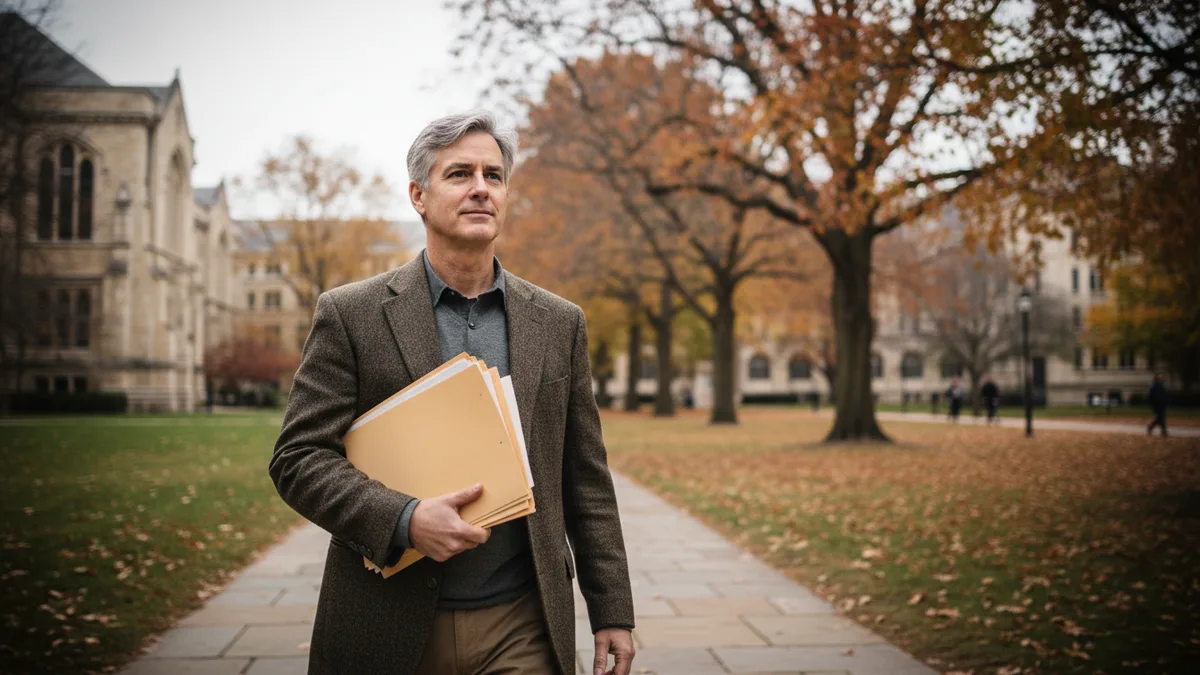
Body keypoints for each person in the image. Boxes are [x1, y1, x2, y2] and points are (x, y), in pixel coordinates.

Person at [270, 111, 636, 675]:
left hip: (524, 621)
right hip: (387, 620)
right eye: (460, 174)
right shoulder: (351, 314)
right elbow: (298, 459)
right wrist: (404, 519)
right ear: (419, 195)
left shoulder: (560, 322)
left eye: (494, 175)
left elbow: (585, 478)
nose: (481, 189)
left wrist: (612, 608)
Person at [1147, 373, 1169, 437]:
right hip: (1157, 405)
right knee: (1161, 418)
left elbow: (1165, 395)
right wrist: (1152, 404)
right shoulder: (1153, 386)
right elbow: (1151, 397)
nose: (1160, 379)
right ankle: (1164, 431)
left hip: (1162, 405)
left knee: (1160, 418)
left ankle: (1150, 427)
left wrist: (1166, 402)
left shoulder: (1162, 386)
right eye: (1159, 378)